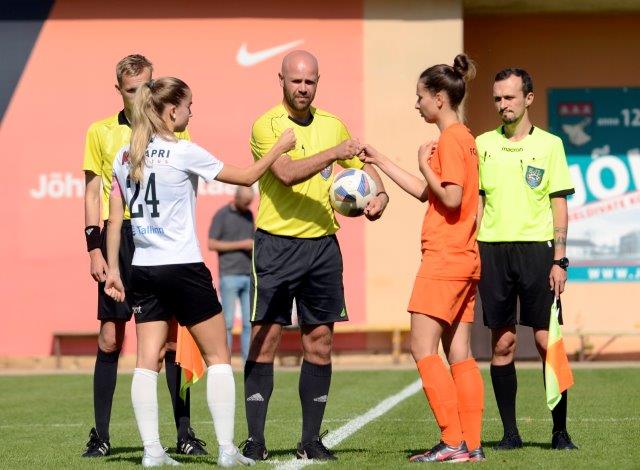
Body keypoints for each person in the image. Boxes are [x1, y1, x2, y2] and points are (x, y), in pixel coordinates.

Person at [104, 76, 296, 467]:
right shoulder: (183, 151)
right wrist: (279, 148)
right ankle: (226, 450)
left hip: (143, 268)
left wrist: (112, 269)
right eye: (189, 106)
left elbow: (113, 218)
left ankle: (151, 451)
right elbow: (247, 177)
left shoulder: (124, 155)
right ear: (172, 110)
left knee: (146, 361)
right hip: (182, 267)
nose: (192, 113)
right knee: (219, 356)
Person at [241, 50, 389, 462]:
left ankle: (310, 441)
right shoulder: (268, 125)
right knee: (266, 340)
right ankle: (255, 440)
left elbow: (363, 165)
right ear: (281, 80)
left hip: (322, 246)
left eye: (309, 81)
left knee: (320, 342)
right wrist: (333, 153)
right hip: (276, 245)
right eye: (296, 81)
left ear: (318, 82)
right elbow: (286, 174)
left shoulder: (332, 124)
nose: (303, 88)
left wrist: (379, 194)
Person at [360, 54, 485, 463]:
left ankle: (452, 440)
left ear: (439, 98)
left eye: (420, 97)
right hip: (465, 257)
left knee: (422, 347)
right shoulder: (464, 138)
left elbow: (450, 197)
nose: (416, 104)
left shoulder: (450, 140)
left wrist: (421, 163)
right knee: (459, 353)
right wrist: (380, 160)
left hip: (445, 258)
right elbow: (426, 192)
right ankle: (471, 445)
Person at [82, 54, 206, 457]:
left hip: (160, 240)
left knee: (170, 341)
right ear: (119, 90)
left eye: (147, 88)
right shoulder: (100, 132)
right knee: (110, 337)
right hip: (119, 238)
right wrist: (94, 248)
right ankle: (101, 436)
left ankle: (184, 434)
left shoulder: (174, 131)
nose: (140, 97)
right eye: (132, 89)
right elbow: (92, 192)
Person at [476, 68, 577, 450]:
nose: (503, 104)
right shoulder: (482, 144)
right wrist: (470, 247)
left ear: (528, 98)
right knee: (502, 343)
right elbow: (478, 202)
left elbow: (558, 203)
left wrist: (559, 260)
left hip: (538, 251)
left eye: (510, 97)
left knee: (547, 341)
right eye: (497, 98)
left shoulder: (551, 145)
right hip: (493, 250)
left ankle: (560, 432)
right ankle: (510, 434)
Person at [208, 186, 255, 361]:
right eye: (245, 202)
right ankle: (224, 361)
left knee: (248, 324)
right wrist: (242, 244)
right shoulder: (222, 215)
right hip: (229, 275)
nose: (247, 206)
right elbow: (212, 243)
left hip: (248, 274)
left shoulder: (249, 215)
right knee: (227, 323)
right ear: (236, 198)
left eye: (249, 203)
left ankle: (248, 362)